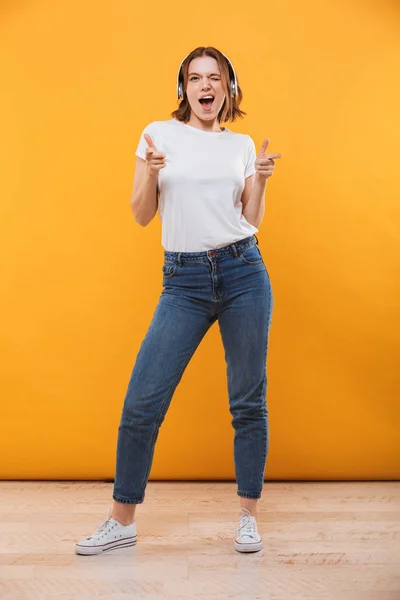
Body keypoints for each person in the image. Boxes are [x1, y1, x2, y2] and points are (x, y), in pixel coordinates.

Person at [75, 46, 281, 556]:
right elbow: (143, 215)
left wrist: (261, 180)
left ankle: (248, 517)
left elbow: (250, 220)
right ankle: (121, 522)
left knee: (248, 401)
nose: (205, 86)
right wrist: (148, 170)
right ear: (183, 88)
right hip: (183, 282)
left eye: (215, 78)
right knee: (143, 402)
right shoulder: (157, 135)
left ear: (229, 88)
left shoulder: (240, 145)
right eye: (195, 78)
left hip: (243, 273)